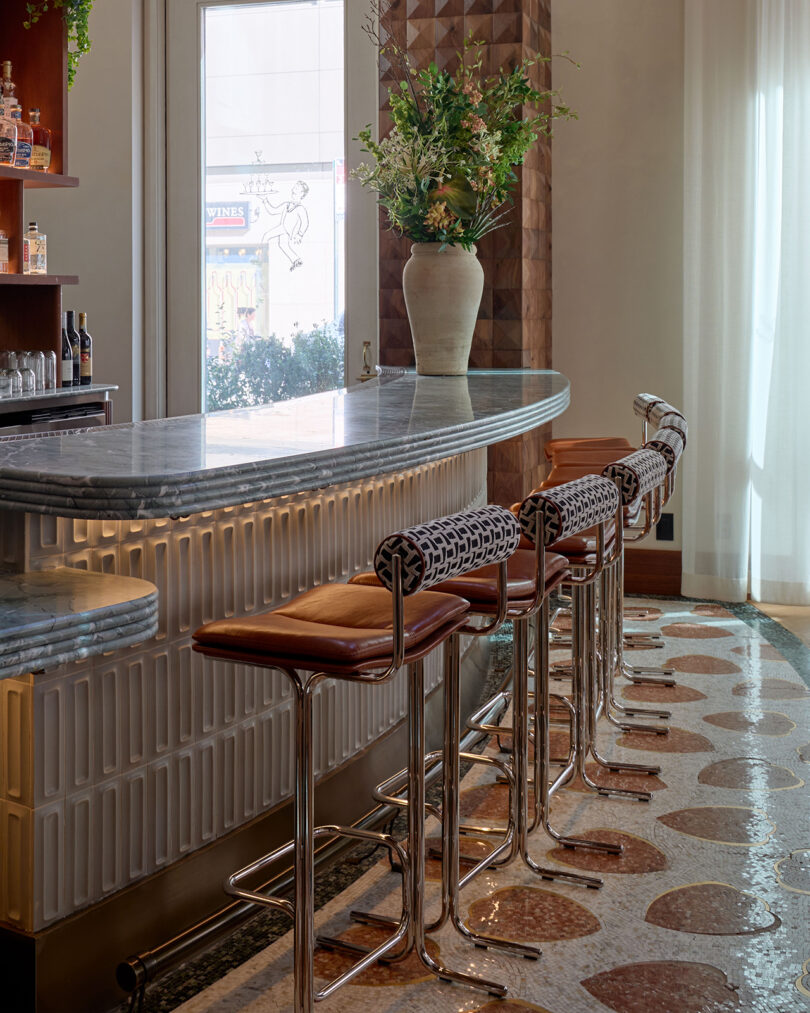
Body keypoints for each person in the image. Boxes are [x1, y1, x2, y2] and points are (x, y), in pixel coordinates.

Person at [259, 181, 310, 270]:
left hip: (286, 229)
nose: (293, 190)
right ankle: (296, 260)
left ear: (301, 193)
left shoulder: (300, 208)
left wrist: (300, 234)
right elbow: (273, 211)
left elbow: (305, 223)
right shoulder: (287, 204)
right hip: (284, 229)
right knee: (283, 245)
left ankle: (261, 259)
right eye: (294, 188)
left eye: (296, 188)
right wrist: (265, 200)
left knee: (266, 236)